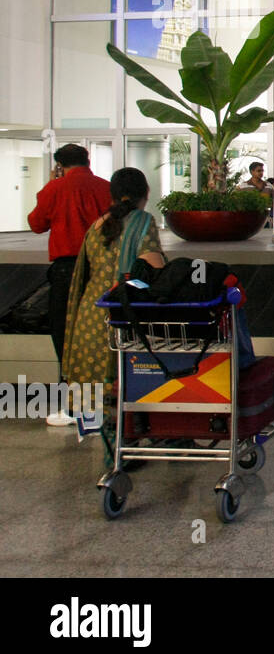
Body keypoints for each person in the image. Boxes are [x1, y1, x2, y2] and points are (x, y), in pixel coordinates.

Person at [61, 168, 166, 459]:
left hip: (91, 313)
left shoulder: (98, 224)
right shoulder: (143, 221)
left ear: (113, 195)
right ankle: (133, 445)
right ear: (145, 193)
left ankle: (113, 448)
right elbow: (153, 266)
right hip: (122, 313)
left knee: (106, 387)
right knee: (132, 378)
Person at [27, 144, 112, 427]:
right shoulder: (105, 187)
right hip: (101, 269)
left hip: (67, 269)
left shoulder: (54, 189)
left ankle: (75, 406)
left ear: (60, 166)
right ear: (88, 160)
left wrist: (52, 183)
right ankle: (105, 401)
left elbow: (36, 224)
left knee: (65, 335)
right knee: (100, 334)